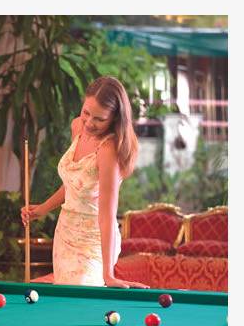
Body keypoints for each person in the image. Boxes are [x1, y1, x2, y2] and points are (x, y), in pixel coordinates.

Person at [21, 76, 149, 288]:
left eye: (99, 119)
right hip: (65, 234)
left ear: (114, 118)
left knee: (81, 291)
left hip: (93, 240)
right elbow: (74, 185)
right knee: (68, 299)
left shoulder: (108, 150)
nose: (89, 123)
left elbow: (107, 216)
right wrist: (42, 209)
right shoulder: (77, 127)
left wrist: (108, 275)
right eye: (86, 113)